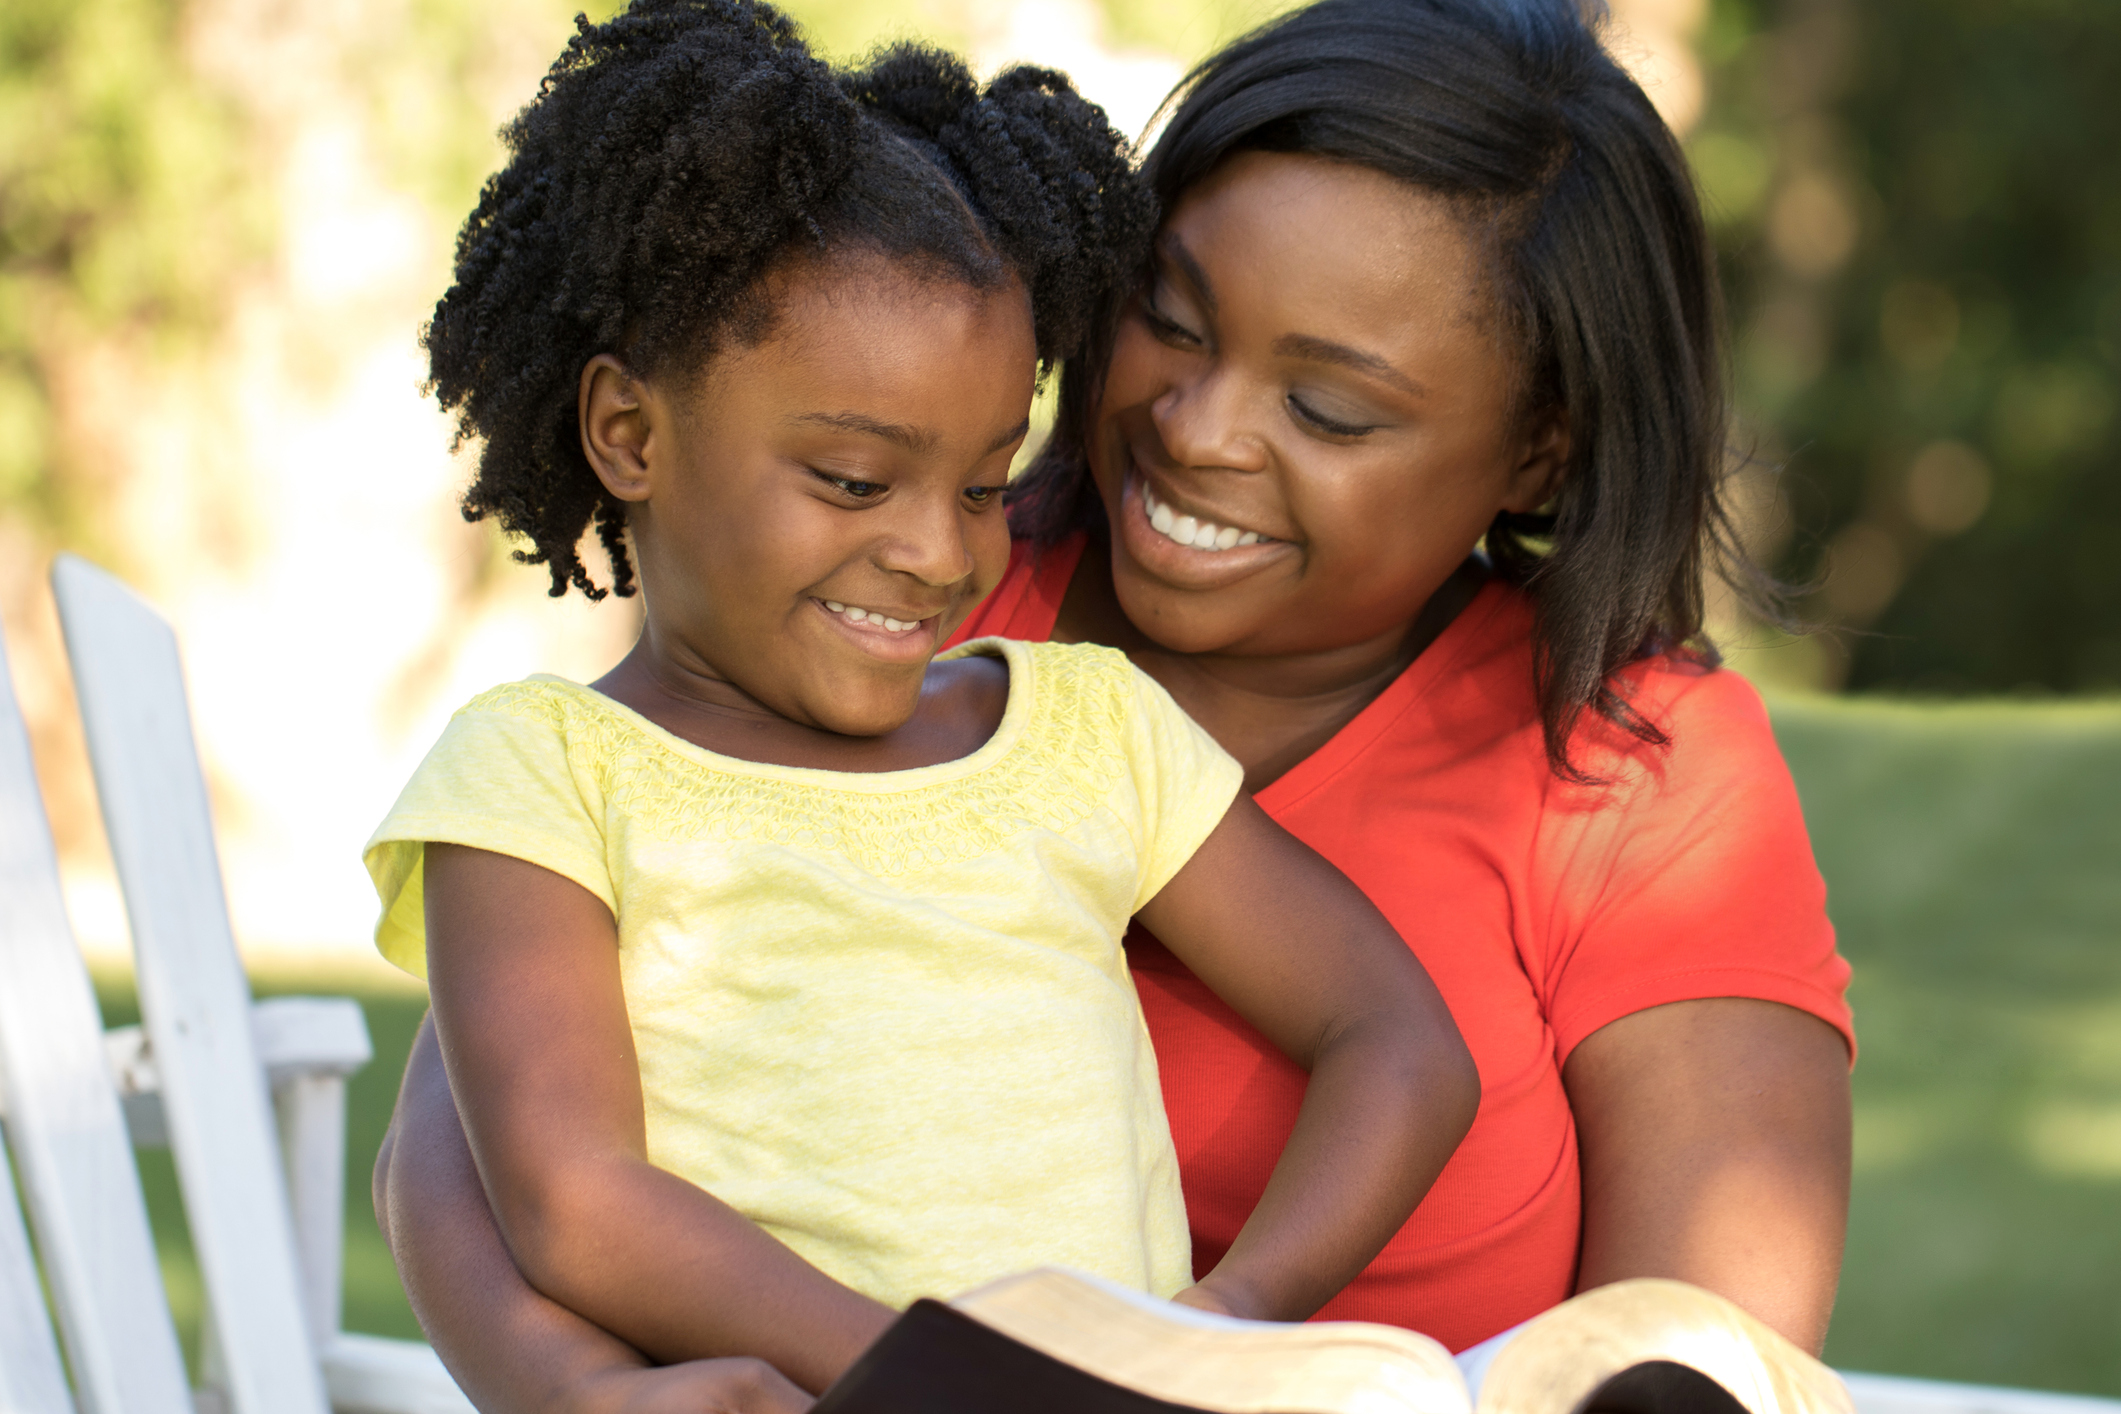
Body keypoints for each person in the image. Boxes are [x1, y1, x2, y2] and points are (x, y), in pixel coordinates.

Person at [378, 0, 1856, 1404]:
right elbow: (478, 1140)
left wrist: (1216, 1335)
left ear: (1537, 450)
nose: (1197, 430)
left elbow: (1701, 1341)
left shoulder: (1626, 763)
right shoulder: (906, 609)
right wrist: (556, 1381)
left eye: (1328, 408)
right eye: (1172, 319)